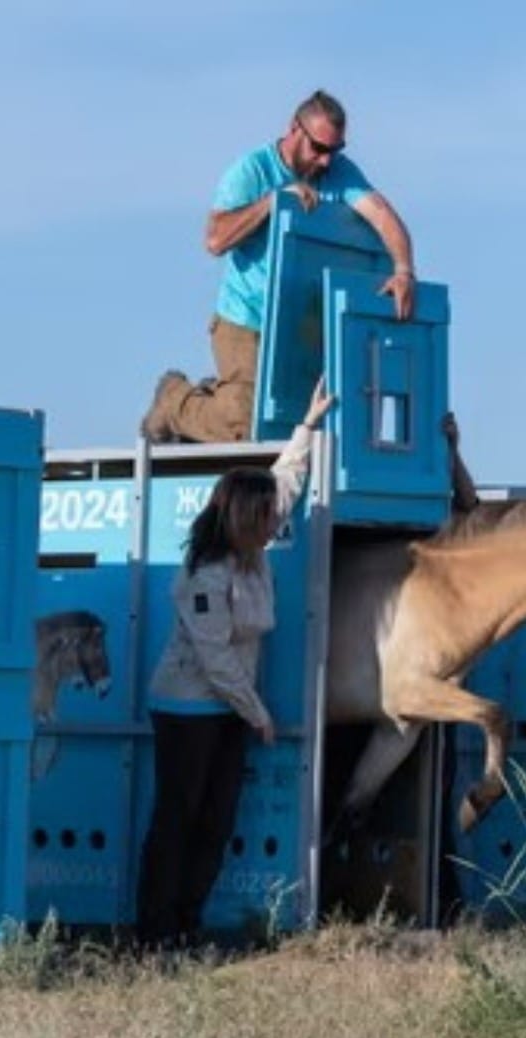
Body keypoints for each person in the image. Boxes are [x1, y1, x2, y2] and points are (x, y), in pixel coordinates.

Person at [134, 380, 335, 949]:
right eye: (269, 517)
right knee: (179, 818)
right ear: (248, 521)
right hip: (188, 708)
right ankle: (154, 930)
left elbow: (287, 478)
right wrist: (258, 714)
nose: (279, 521)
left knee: (216, 822)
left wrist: (308, 422)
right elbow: (215, 659)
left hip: (228, 710)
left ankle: (188, 922)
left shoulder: (252, 551)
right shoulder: (207, 574)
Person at [141, 90, 417, 445]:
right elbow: (215, 240)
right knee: (248, 424)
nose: (325, 162)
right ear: (294, 129)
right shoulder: (252, 170)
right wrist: (273, 202)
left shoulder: (340, 174)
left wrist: (403, 270)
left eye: (335, 151)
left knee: (300, 422)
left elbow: (382, 214)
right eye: (318, 148)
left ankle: (219, 395)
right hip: (245, 319)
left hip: (299, 330)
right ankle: (173, 400)